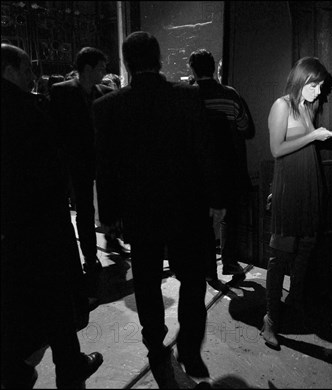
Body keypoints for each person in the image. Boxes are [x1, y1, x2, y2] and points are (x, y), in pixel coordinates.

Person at [93, 31, 229, 381]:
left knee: (148, 281)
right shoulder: (187, 97)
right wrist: (216, 200)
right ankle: (190, 350)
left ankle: (156, 345)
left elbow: (104, 167)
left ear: (126, 62)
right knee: (193, 279)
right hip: (187, 206)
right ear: (158, 60)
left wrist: (107, 215)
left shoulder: (107, 106)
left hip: (140, 210)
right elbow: (205, 154)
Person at [1, 43, 103, 389]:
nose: (33, 75)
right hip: (39, 226)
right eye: (26, 68)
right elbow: (51, 171)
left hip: (10, 230)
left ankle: (17, 366)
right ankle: (69, 367)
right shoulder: (30, 110)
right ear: (9, 71)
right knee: (57, 300)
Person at [261, 57, 332, 349]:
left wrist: (318, 135)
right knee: (279, 255)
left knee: (306, 247)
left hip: (309, 186)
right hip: (289, 189)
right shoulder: (282, 105)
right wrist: (313, 136)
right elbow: (277, 149)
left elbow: (301, 148)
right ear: (301, 79)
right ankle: (270, 319)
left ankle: (294, 302)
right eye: (314, 85)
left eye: (320, 87)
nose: (319, 92)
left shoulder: (307, 107)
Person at [50, 47, 126, 300]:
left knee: (110, 202)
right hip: (76, 162)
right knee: (84, 210)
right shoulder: (61, 92)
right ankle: (90, 257)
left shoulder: (105, 93)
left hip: (103, 161)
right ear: (88, 68)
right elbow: (56, 131)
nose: (105, 72)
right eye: (101, 67)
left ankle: (113, 237)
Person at [188, 49, 254, 284]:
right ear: (215, 68)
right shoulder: (229, 95)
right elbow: (247, 128)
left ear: (192, 69)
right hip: (228, 167)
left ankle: (208, 268)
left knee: (202, 221)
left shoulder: (188, 96)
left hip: (198, 170)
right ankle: (229, 261)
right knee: (231, 217)